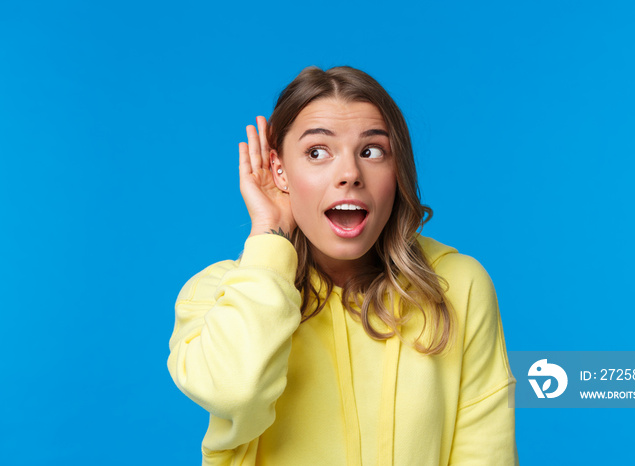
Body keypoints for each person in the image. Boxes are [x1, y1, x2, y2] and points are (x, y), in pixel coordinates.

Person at [167, 66, 518, 465]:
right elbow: (234, 391)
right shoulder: (216, 293)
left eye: (371, 152)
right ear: (279, 170)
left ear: (396, 169)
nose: (350, 174)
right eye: (317, 153)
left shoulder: (458, 284)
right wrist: (269, 236)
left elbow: (486, 452)